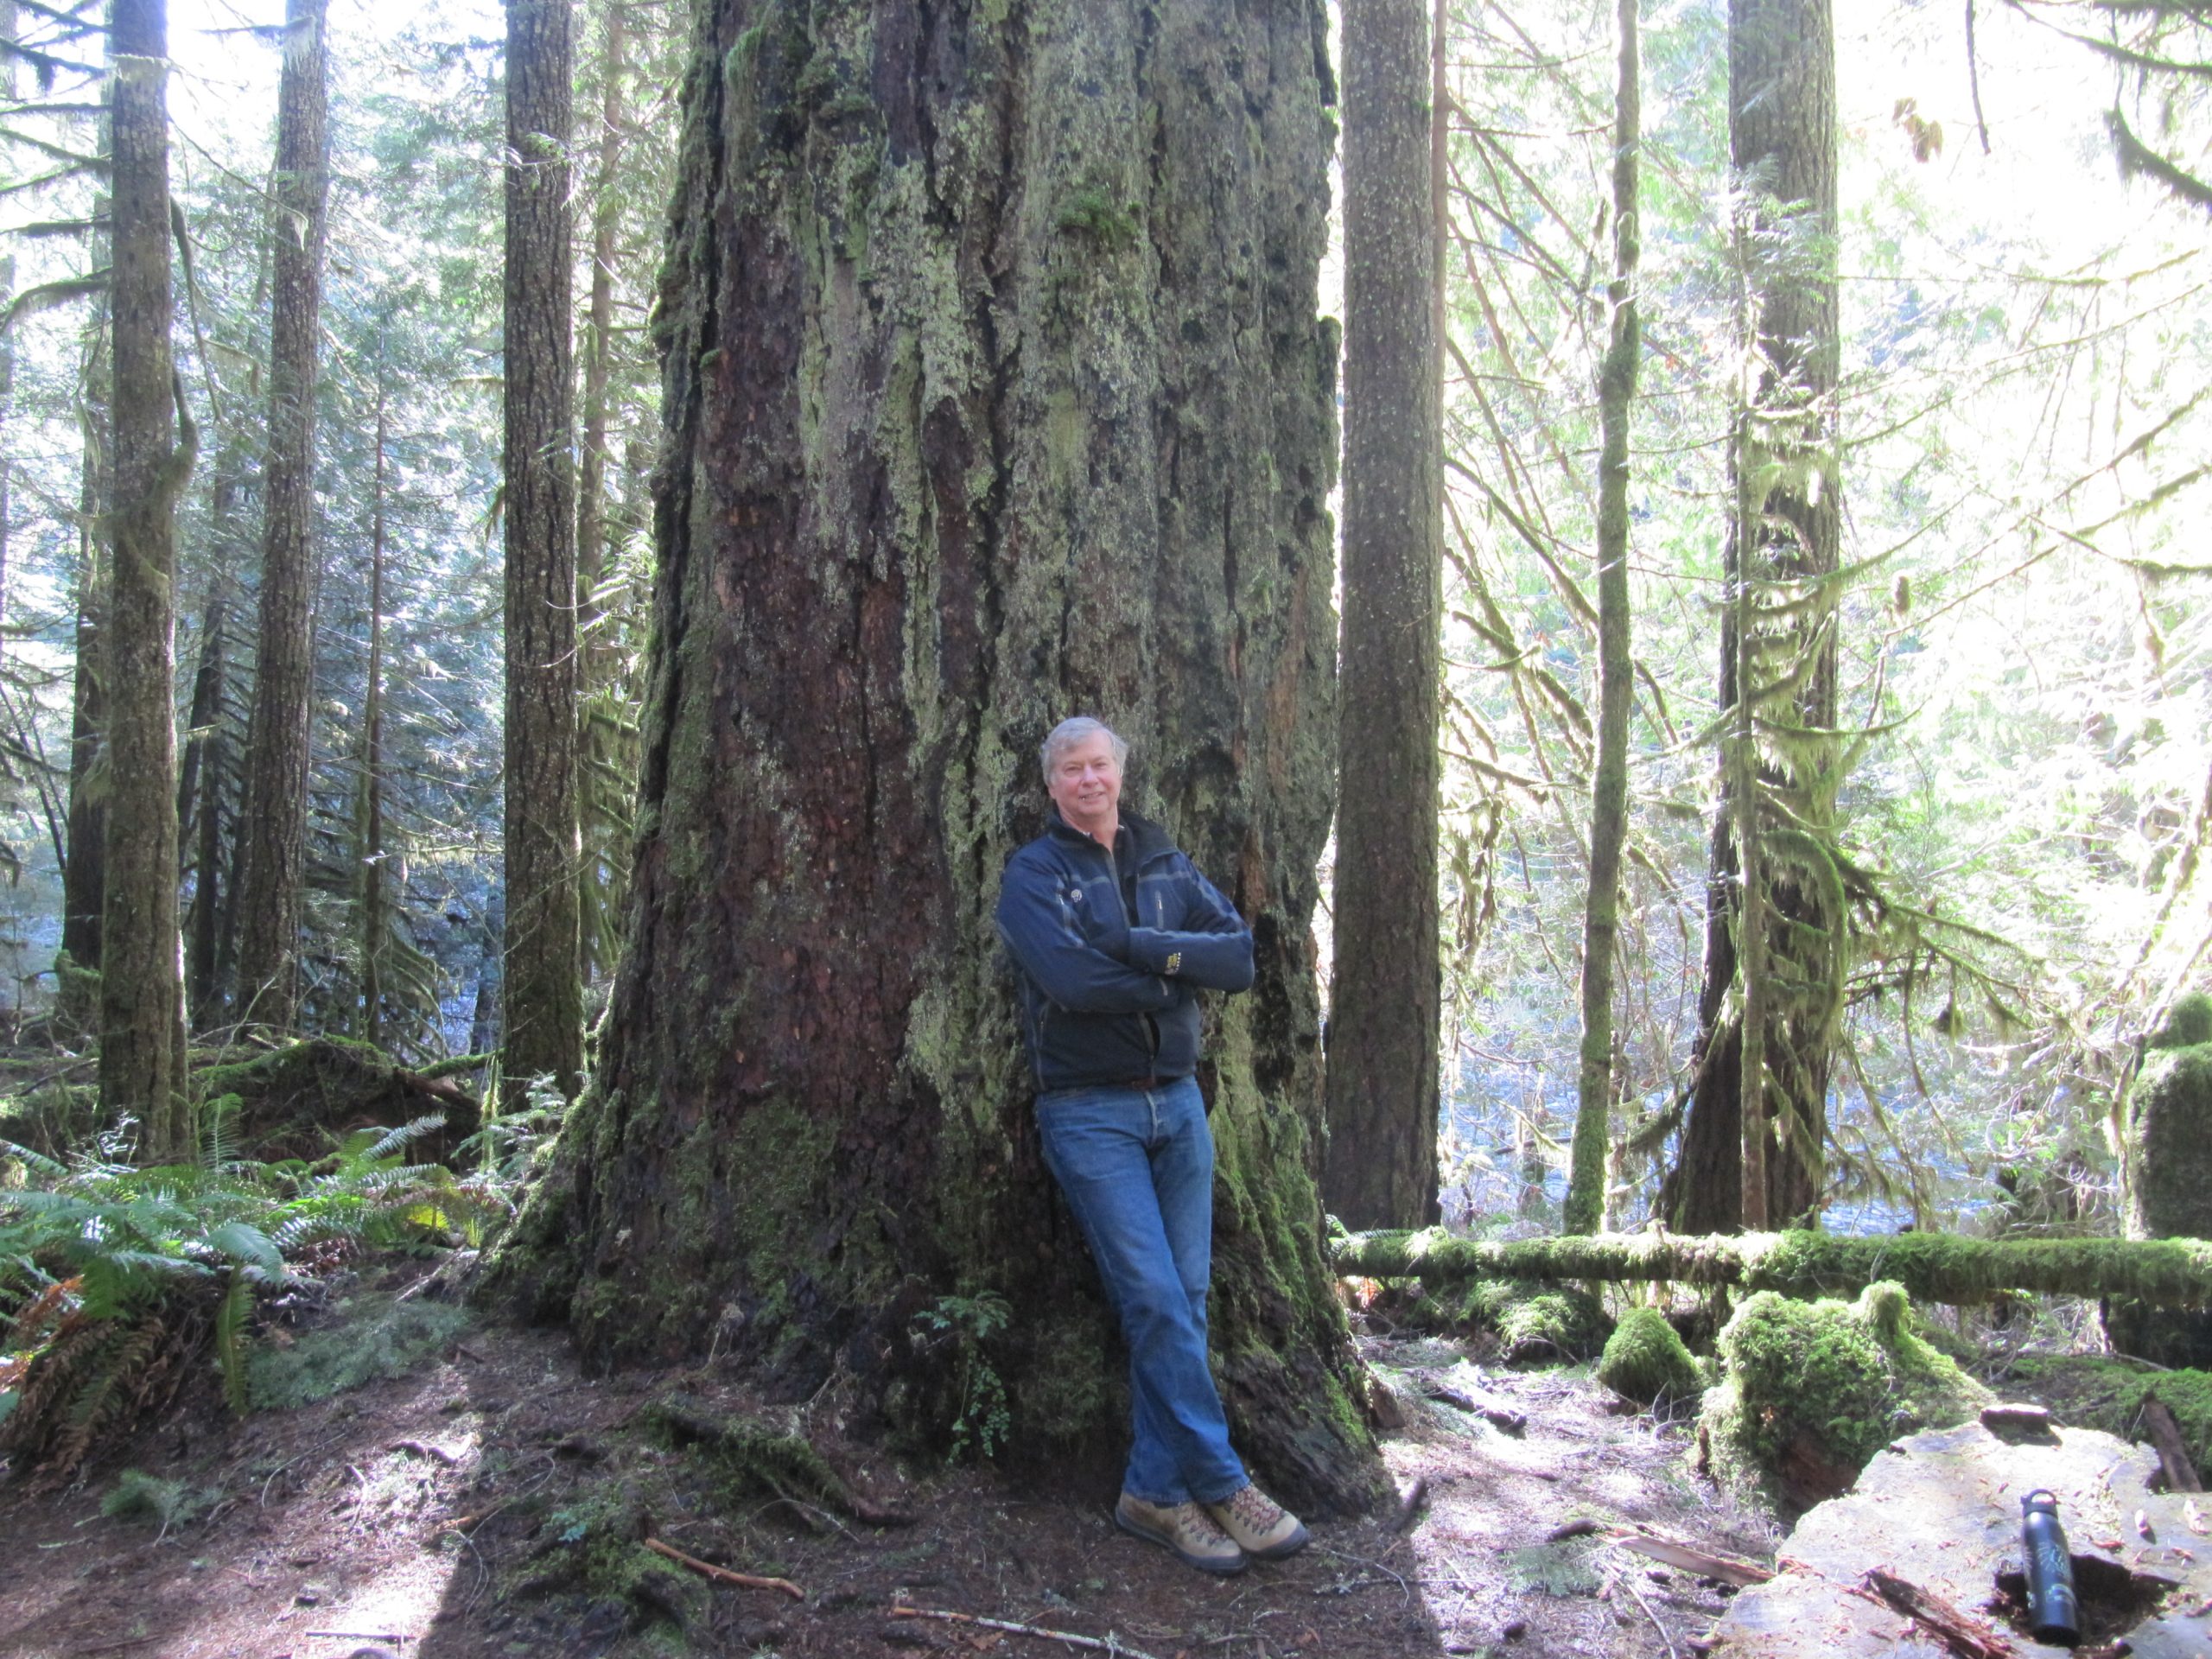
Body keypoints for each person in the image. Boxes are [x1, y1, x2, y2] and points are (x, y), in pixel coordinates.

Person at [995, 715, 1310, 1576]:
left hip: (1178, 1107)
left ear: (1119, 775)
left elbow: (1237, 960)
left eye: (1099, 765)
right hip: (1089, 1115)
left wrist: (1140, 947)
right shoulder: (1035, 874)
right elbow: (1069, 981)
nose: (1088, 780)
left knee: (1188, 1301)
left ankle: (1152, 1495)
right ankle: (1222, 1479)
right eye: (1071, 769)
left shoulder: (1163, 859)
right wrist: (1179, 972)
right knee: (1157, 1302)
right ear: (1051, 785)